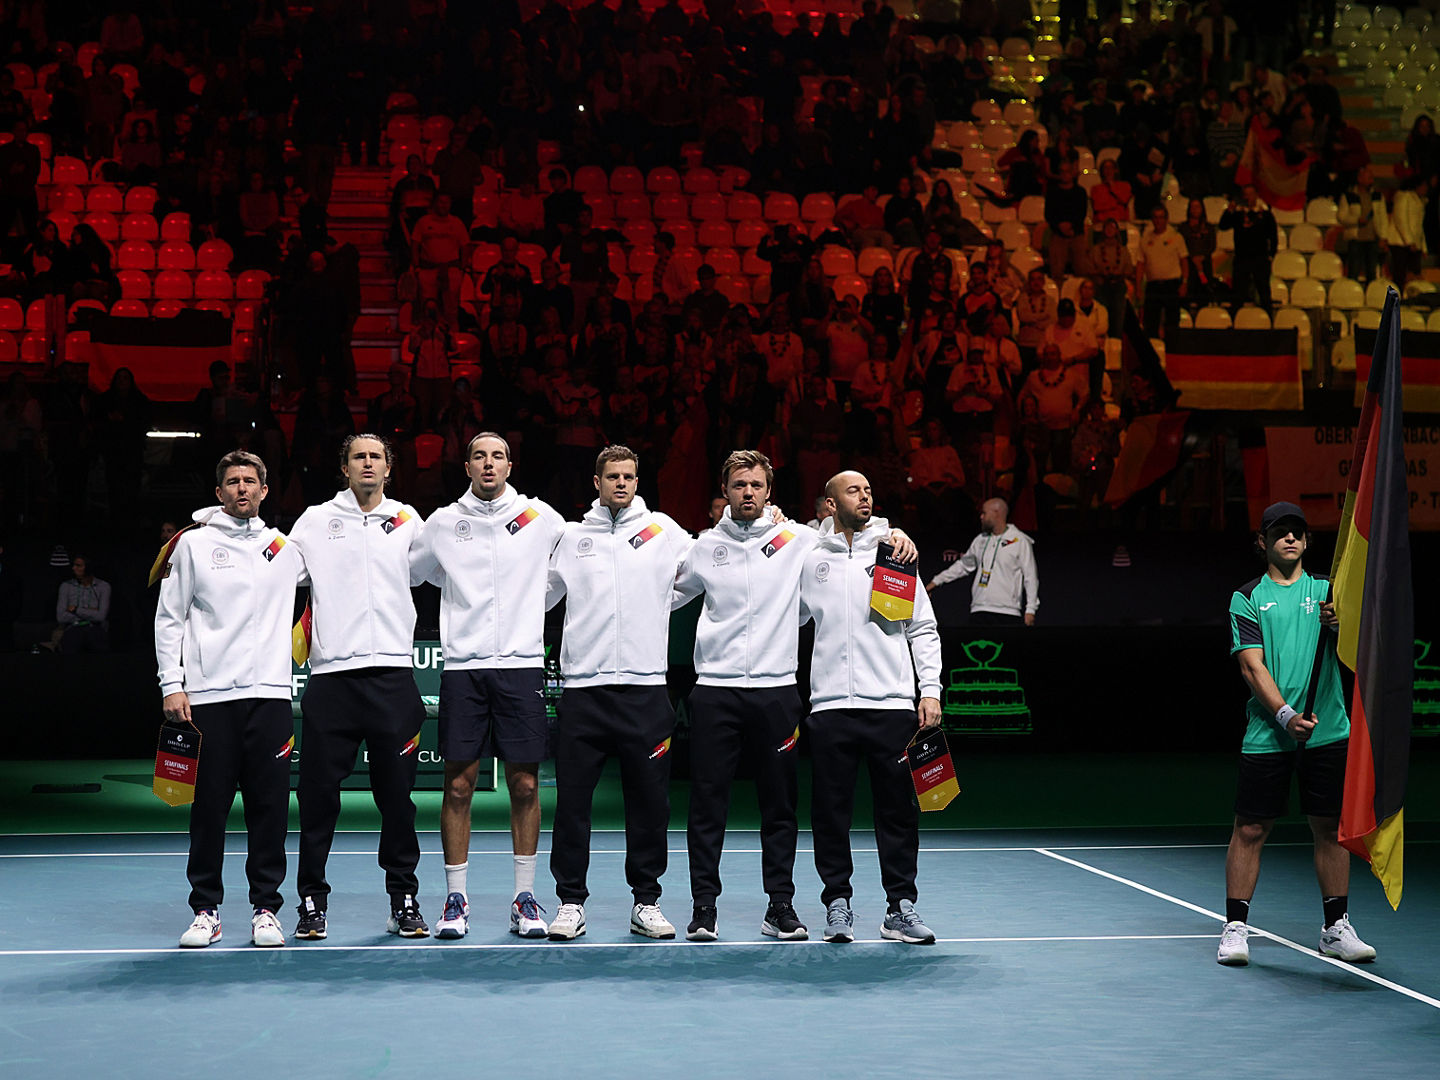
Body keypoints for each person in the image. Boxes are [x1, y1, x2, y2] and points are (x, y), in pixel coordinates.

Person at [672, 451, 918, 942]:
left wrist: (895, 535)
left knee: (779, 806)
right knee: (706, 804)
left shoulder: (798, 540)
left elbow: (851, 534)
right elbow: (660, 595)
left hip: (777, 691)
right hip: (715, 692)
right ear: (725, 490)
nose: (748, 493)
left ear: (769, 493)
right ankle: (704, 908)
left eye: (756, 486)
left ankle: (780, 906)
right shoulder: (703, 547)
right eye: (739, 485)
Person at [409, 433, 566, 940]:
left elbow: (572, 562)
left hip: (520, 665)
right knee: (458, 785)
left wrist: (531, 606)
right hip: (463, 668)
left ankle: (525, 897)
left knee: (524, 784)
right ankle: (456, 899)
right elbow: (415, 572)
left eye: (497, 455)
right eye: (480, 455)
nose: (489, 463)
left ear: (510, 464)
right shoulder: (443, 523)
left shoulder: (540, 517)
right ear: (468, 466)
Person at [544, 446, 693, 940]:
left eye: (629, 476)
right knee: (573, 804)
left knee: (650, 803)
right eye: (613, 476)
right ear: (597, 482)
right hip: (584, 690)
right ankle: (569, 902)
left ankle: (646, 901)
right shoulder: (571, 536)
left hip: (646, 690)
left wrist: (657, 603)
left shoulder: (663, 531)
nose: (622, 483)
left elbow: (705, 571)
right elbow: (540, 594)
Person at [1219, 501, 1375, 967]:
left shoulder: (1330, 593)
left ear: (1307, 542)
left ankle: (1335, 928)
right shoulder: (1246, 597)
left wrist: (1341, 624)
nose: (1289, 538)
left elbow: (1363, 646)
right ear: (1263, 542)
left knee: (1329, 828)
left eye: (1297, 532)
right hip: (1269, 734)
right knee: (1250, 828)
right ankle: (1235, 928)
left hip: (1328, 733)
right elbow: (1251, 666)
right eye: (1279, 532)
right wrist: (1286, 715)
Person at [155, 451, 302, 949]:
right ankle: (206, 910)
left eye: (251, 481)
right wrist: (171, 684)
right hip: (209, 698)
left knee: (270, 808)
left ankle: (266, 908)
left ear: (264, 490)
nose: (242, 488)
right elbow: (169, 618)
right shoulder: (192, 546)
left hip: (271, 698)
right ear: (218, 493)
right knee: (208, 809)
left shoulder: (287, 549)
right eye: (233, 482)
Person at [288, 435, 429, 942]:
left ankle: (404, 899)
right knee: (318, 797)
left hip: (392, 679)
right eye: (358, 457)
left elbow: (456, 566)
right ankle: (310, 903)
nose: (367, 463)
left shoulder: (410, 521)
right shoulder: (314, 520)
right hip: (331, 681)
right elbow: (272, 566)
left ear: (388, 468)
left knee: (397, 800)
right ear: (344, 468)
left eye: (376, 457)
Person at [799, 471, 943, 944]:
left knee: (898, 813)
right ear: (829, 501)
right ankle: (836, 904)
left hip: (892, 704)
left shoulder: (893, 552)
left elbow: (921, 627)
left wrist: (930, 690)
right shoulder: (809, 556)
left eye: (868, 489)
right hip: (830, 706)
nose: (865, 495)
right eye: (853, 490)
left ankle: (900, 908)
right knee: (830, 813)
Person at [926, 497, 1039, 627]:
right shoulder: (980, 540)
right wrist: (936, 581)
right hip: (979, 609)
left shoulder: (1019, 541)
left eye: (984, 513)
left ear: (997, 512)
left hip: (1007, 612)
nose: (981, 517)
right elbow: (962, 565)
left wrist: (1031, 609)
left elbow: (1030, 577)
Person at [1218, 184, 1278, 314]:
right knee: (1238, 293)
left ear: (1256, 195)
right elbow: (1223, 225)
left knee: (1264, 293)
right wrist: (1229, 210)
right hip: (1242, 258)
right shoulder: (1238, 214)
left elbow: (1273, 236)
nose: (1248, 197)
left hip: (1260, 259)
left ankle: (1270, 324)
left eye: (1251, 194)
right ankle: (1234, 324)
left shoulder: (1265, 214)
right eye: (1246, 194)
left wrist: (1271, 255)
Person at [53, 554, 110, 652]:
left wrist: (75, 610)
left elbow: (101, 616)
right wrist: (91, 612)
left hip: (94, 629)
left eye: (78, 565)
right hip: (72, 628)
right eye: (74, 565)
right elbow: (61, 617)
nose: (74, 568)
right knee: (72, 639)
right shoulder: (66, 586)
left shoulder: (103, 587)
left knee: (97, 640)